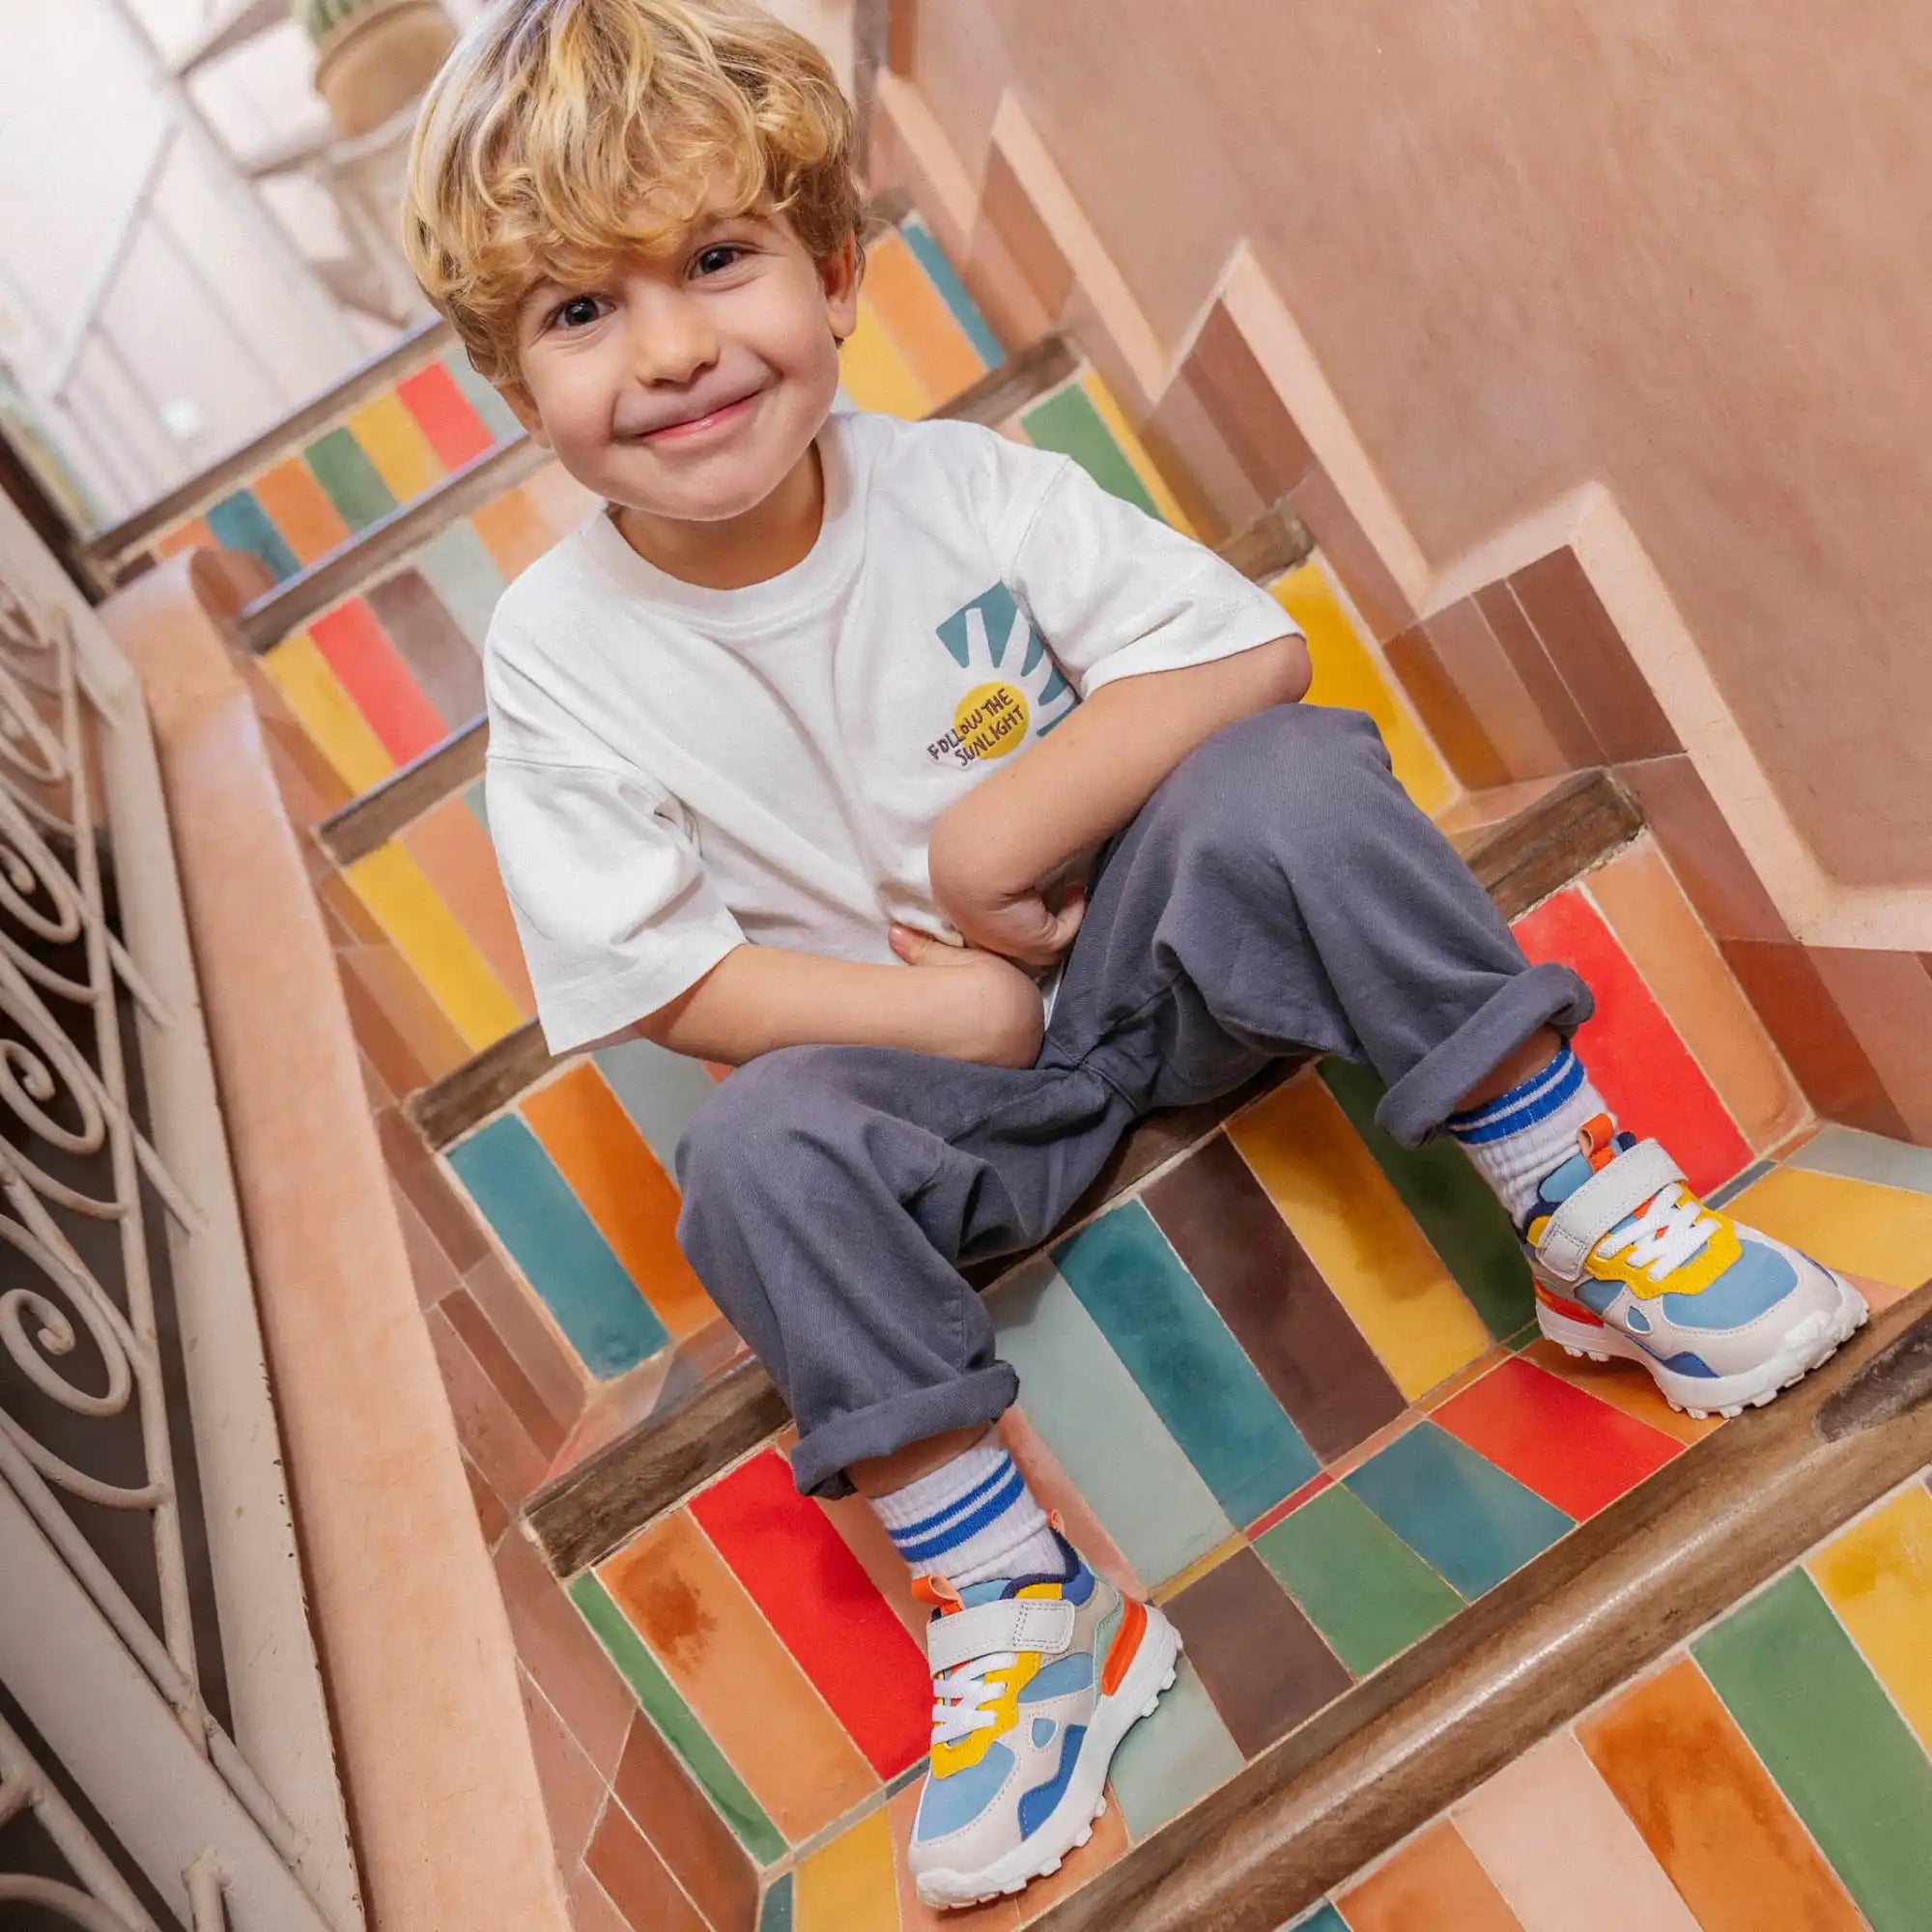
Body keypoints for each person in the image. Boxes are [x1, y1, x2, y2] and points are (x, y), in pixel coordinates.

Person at [402, 0, 1867, 1907]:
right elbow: (657, 975)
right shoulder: (559, 651)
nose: (669, 350)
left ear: (838, 273)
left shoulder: (965, 493)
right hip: (929, 1115)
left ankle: (1577, 1201)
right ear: (509, 377)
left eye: (712, 260)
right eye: (581, 314)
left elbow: (1244, 647)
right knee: (753, 1157)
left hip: (1143, 973)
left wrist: (987, 837)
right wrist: (935, 1002)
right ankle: (1016, 1594)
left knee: (1281, 779)